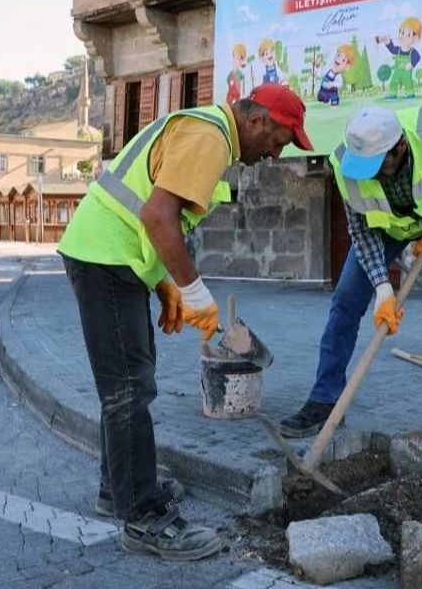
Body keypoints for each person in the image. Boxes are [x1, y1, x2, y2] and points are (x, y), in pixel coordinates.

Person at [57, 83, 312, 561]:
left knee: (131, 382)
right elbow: (157, 216)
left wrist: (162, 282)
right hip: (105, 258)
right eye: (278, 141)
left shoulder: (209, 132)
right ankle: (143, 516)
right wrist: (194, 291)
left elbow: (148, 208)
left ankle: (119, 487)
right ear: (256, 121)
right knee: (129, 389)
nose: (276, 154)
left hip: (115, 258)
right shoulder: (210, 137)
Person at [279, 104, 422, 476]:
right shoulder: (346, 164)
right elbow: (361, 232)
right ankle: (324, 400)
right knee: (344, 303)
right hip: (386, 229)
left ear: (399, 147)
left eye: (377, 166)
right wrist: (383, 287)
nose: (369, 175)